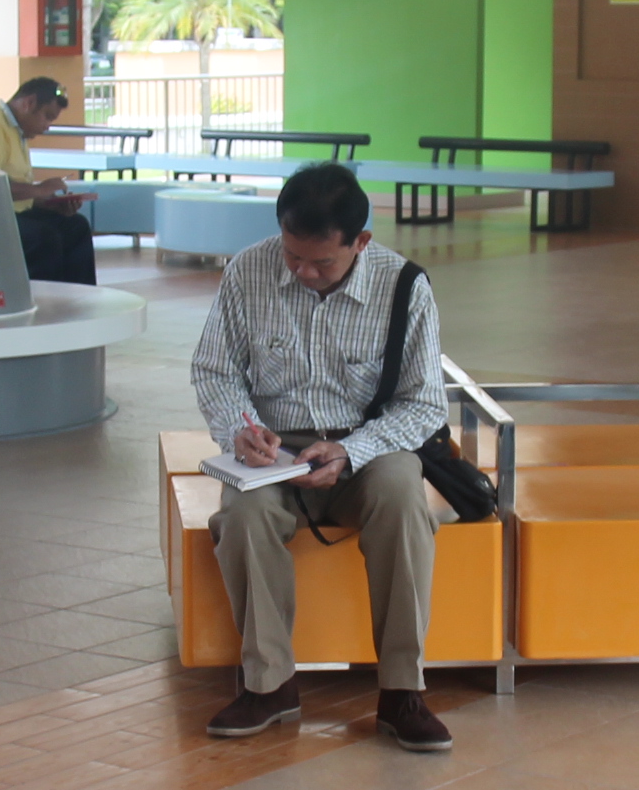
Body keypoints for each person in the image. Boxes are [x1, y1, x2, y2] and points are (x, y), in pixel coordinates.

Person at [186, 162, 456, 754]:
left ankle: (402, 690)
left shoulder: (403, 286)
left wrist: (351, 451)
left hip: (369, 445)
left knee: (403, 500)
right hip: (274, 448)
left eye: (322, 262)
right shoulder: (248, 271)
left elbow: (423, 404)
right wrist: (240, 430)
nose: (303, 272)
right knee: (244, 516)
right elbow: (215, 370)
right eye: (292, 256)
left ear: (361, 242)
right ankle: (269, 685)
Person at [0, 76, 96, 286]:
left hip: (9, 213)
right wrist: (40, 189)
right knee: (43, 238)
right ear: (29, 103)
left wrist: (49, 204)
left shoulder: (15, 131)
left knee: (75, 227)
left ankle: (78, 297)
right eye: (47, 116)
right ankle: (39, 298)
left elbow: (14, 189)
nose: (47, 126)